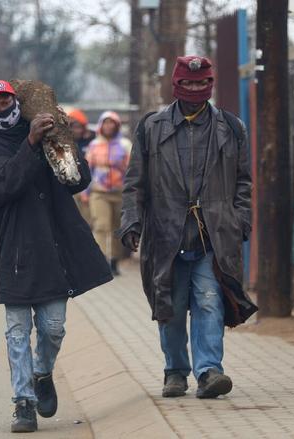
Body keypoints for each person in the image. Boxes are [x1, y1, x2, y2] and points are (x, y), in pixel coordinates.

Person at [0, 80, 112, 434]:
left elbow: (77, 181)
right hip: (17, 249)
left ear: (16, 100)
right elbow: (5, 185)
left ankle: (42, 371)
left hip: (54, 246)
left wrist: (63, 139)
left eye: (6, 99)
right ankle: (23, 403)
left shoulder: (47, 130)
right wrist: (31, 143)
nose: (2, 107)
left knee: (53, 328)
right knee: (17, 330)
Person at [119, 56, 258, 400]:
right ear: (176, 86)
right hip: (167, 236)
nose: (196, 90)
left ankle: (210, 371)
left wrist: (240, 219)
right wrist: (131, 221)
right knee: (172, 307)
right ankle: (175, 372)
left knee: (210, 302)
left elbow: (243, 182)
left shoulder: (231, 127)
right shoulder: (151, 127)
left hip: (213, 236)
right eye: (189, 84)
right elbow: (135, 183)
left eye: (202, 83)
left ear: (210, 84)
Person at [84, 111, 131, 276]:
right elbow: (87, 170)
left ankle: (115, 261)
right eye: (106, 122)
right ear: (101, 125)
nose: (109, 126)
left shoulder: (125, 145)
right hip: (99, 192)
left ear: (117, 125)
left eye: (112, 123)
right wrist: (85, 191)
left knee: (118, 228)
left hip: (120, 192)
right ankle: (101, 261)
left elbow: (132, 170)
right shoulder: (94, 145)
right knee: (101, 225)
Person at [67, 108, 95, 225]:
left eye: (79, 127)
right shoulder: (65, 142)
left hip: (88, 184)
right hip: (70, 184)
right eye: (73, 127)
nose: (76, 131)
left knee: (88, 219)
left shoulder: (91, 142)